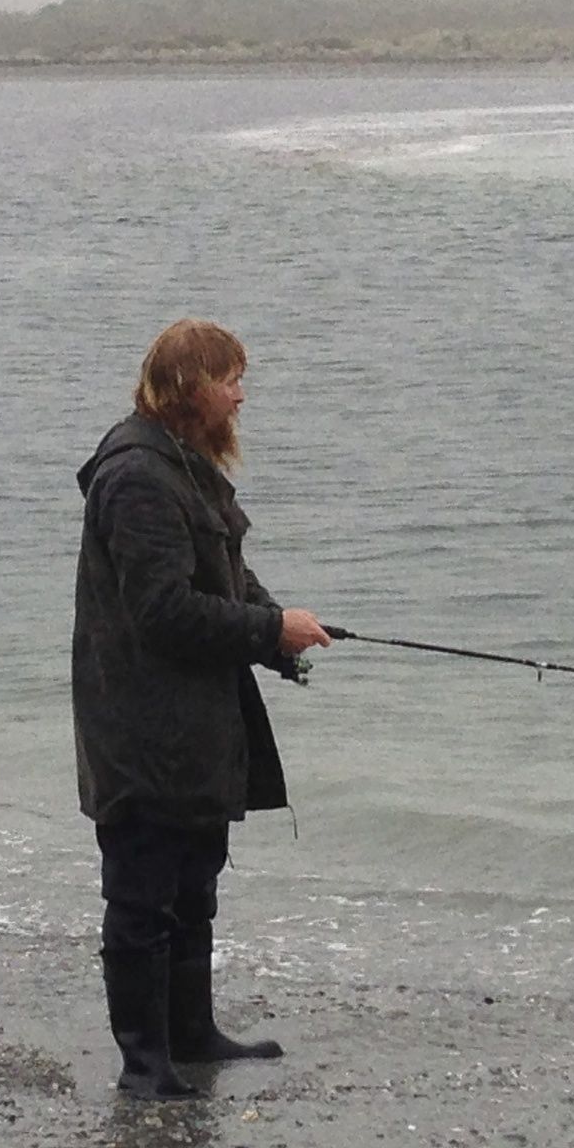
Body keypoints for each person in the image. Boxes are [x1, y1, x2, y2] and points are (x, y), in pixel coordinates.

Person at [72, 319, 333, 1098]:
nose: (241, 397)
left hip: (194, 722)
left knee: (195, 883)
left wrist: (277, 631)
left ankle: (192, 1034)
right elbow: (163, 612)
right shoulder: (137, 478)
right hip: (141, 729)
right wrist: (267, 630)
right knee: (142, 896)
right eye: (230, 381)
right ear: (190, 389)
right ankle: (143, 1063)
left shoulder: (182, 464)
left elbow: (224, 577)